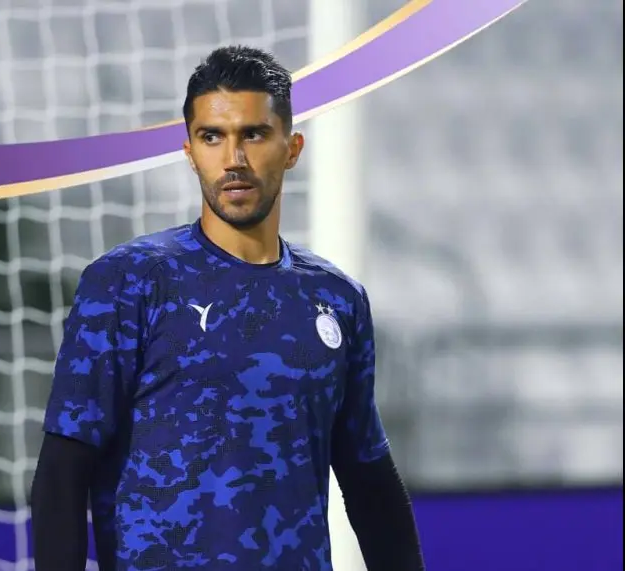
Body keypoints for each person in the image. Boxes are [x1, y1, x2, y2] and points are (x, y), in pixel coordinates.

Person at [30, 45, 425, 571]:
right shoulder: (129, 281)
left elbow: (369, 480)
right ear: (190, 151)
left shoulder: (337, 298)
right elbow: (62, 470)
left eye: (253, 134)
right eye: (212, 137)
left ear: (292, 148)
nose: (233, 158)